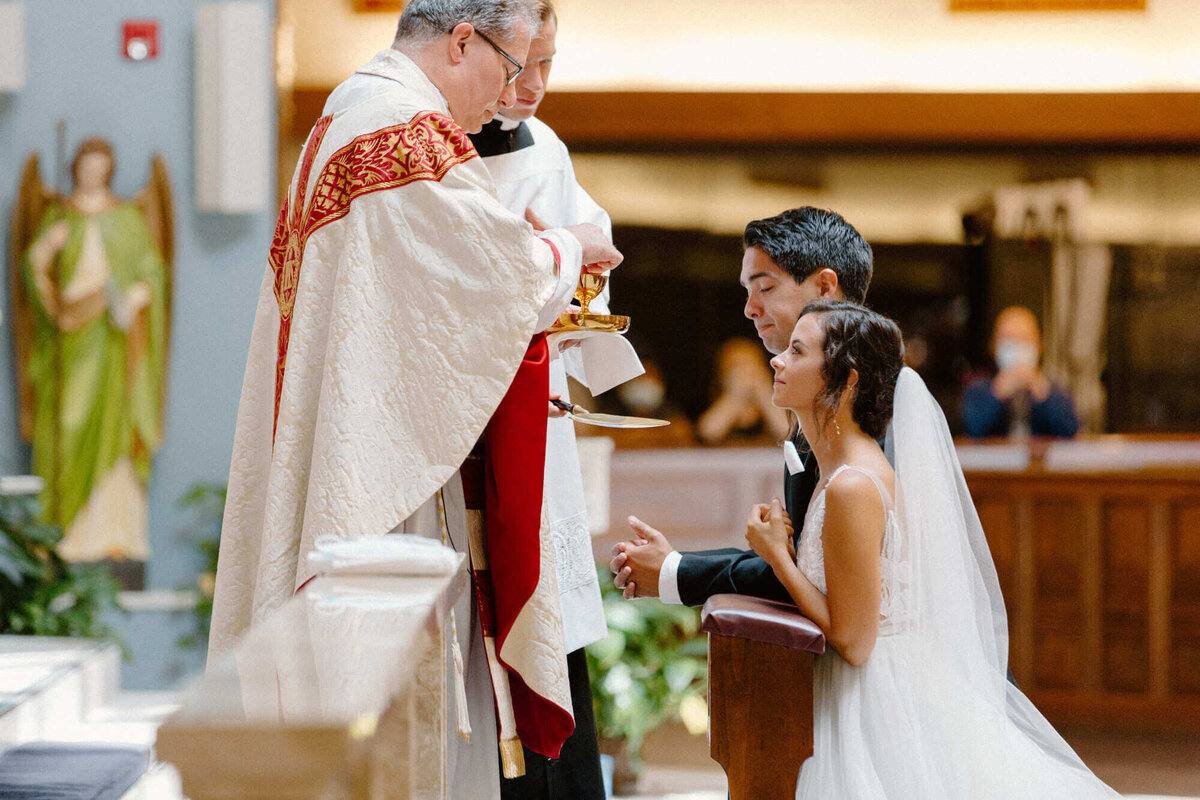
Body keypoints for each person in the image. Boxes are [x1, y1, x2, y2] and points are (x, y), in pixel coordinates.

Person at [208, 1, 623, 796]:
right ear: (463, 40)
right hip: (385, 485)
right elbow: (492, 279)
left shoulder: (346, 108)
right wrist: (571, 248)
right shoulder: (406, 131)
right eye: (506, 68)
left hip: (354, 441)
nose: (506, 92)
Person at [744, 300, 1117, 798]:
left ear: (847, 379)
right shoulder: (843, 470)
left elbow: (854, 642)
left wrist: (779, 559)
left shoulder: (852, 484)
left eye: (796, 350)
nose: (777, 360)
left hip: (871, 702)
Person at [466, 3, 637, 796]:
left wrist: (577, 279)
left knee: (549, 628)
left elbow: (586, 258)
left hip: (536, 414)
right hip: (460, 427)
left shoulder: (550, 148)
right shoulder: (431, 148)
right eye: (520, 64)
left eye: (549, 65)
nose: (533, 85)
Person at [610, 207, 872, 606]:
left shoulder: (873, 398)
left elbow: (825, 576)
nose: (749, 309)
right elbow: (806, 560)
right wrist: (673, 566)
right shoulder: (810, 398)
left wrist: (673, 571)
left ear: (824, 288)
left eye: (765, 288)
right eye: (746, 292)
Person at [16, 139, 169, 567]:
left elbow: (152, 270)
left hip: (112, 337)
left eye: (101, 168)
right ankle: (64, 534)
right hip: (70, 333)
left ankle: (111, 534)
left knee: (114, 428)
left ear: (109, 171)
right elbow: (33, 264)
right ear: (75, 168)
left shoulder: (124, 217)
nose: (92, 175)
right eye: (86, 167)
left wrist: (136, 296)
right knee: (66, 422)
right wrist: (49, 249)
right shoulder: (59, 215)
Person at [962, 305, 1079, 438]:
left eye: (1024, 339)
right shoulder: (977, 391)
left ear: (1039, 345)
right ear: (994, 346)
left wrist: (1042, 392)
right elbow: (973, 430)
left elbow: (1069, 431)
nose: (1016, 346)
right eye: (1008, 339)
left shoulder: (1057, 391)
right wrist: (998, 393)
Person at [696, 337, 790, 445]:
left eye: (753, 367)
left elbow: (788, 434)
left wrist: (764, 393)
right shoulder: (714, 406)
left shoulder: (782, 410)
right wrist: (735, 396)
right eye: (737, 369)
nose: (746, 375)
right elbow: (706, 435)